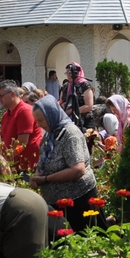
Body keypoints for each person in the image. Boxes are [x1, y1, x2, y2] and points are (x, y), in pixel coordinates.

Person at [29, 95, 99, 232]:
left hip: (78, 201)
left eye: (41, 120)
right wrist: (37, 175)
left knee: (85, 243)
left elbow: (78, 170)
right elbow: (43, 159)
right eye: (37, 121)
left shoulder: (70, 134)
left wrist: (45, 179)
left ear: (52, 115)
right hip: (57, 202)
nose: (39, 125)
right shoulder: (50, 135)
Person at [0, 80, 43, 171]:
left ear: (13, 93)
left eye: (1, 95)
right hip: (13, 165)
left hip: (26, 166)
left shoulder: (24, 111)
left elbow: (22, 142)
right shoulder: (6, 115)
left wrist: (6, 160)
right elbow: (2, 140)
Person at [60, 62, 94, 127]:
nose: (68, 75)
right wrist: (63, 105)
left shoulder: (85, 85)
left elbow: (89, 106)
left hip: (83, 121)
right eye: (66, 73)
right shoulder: (65, 86)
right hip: (68, 121)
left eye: (70, 72)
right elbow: (61, 101)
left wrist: (73, 110)